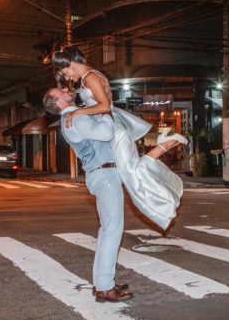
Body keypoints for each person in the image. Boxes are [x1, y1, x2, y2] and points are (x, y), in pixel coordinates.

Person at [50, 46, 185, 231]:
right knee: (130, 170)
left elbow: (105, 106)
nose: (67, 77)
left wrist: (79, 111)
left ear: (71, 64)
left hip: (115, 132)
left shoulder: (90, 76)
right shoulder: (88, 77)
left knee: (130, 172)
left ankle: (164, 202)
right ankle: (164, 147)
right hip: (114, 127)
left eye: (65, 72)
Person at [43, 86, 133, 303]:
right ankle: (105, 287)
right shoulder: (77, 118)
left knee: (107, 232)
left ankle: (102, 282)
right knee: (112, 231)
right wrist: (104, 109)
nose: (67, 89)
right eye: (62, 91)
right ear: (60, 102)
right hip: (104, 174)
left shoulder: (76, 116)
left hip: (101, 173)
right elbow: (106, 133)